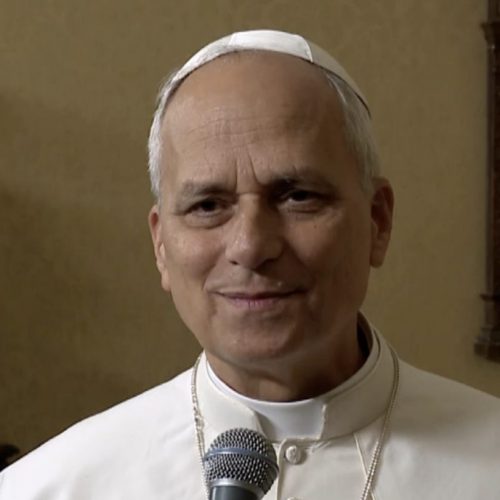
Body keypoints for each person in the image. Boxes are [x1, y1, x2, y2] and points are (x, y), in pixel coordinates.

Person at [1, 29, 499, 500]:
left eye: (298, 196)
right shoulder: (48, 487)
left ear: (377, 221)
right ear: (161, 245)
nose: (251, 245)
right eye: (207, 206)